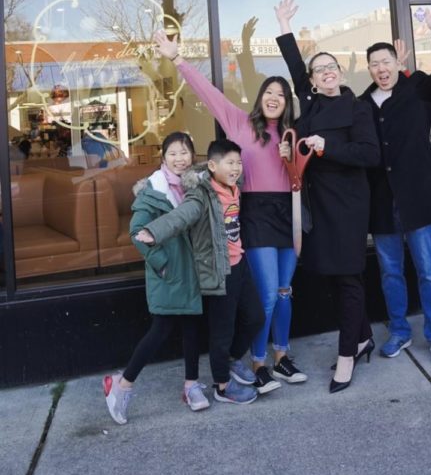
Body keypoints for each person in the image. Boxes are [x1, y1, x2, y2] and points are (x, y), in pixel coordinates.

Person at [154, 29, 307, 394]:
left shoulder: (293, 133)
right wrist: (177, 59)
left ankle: (281, 356)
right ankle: (257, 362)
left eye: (281, 95)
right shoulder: (239, 122)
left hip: (290, 212)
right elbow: (208, 93)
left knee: (285, 291)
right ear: (260, 97)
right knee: (267, 295)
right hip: (254, 212)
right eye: (269, 92)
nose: (274, 98)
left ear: (288, 102)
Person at [275, 0, 380, 393]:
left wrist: (325, 147)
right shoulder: (311, 104)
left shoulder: (357, 108)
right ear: (314, 81)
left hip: (350, 204)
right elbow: (294, 69)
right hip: (318, 204)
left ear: (340, 73)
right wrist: (285, 27)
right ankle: (364, 335)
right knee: (335, 279)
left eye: (332, 67)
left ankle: (347, 355)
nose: (327, 73)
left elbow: (370, 154)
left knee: (349, 278)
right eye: (320, 70)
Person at [359, 0, 431, 367]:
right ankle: (399, 330)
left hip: (418, 197)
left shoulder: (416, 88)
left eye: (387, 62)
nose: (381, 68)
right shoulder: (362, 103)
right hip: (382, 201)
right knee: (390, 271)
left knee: (429, 271)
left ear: (397, 64)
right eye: (374, 64)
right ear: (368, 69)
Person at [136, 139, 266, 405]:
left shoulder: (234, 186)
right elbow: (183, 214)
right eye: (230, 163)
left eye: (238, 163)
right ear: (212, 165)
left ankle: (229, 360)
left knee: (255, 317)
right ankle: (222, 386)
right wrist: (154, 231)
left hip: (240, 264)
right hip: (218, 270)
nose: (236, 168)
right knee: (222, 330)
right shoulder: (202, 194)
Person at [103, 131, 207, 426]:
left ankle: (191, 386)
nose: (179, 159)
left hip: (193, 272)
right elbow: (137, 232)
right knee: (160, 330)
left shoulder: (197, 187)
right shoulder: (153, 191)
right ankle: (122, 386)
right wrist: (162, 265)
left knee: (192, 329)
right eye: (173, 153)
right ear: (163, 158)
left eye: (185, 152)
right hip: (169, 273)